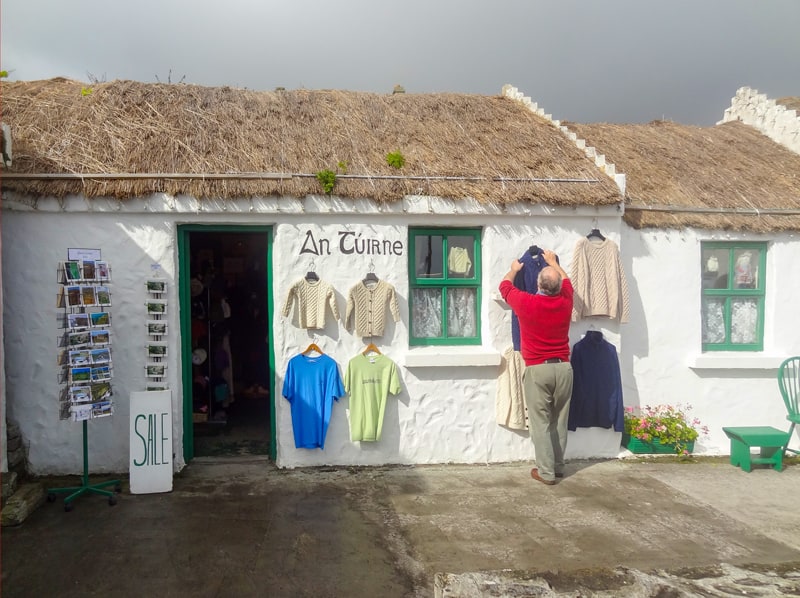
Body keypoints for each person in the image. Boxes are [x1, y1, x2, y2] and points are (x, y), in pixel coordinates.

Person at [499, 249, 574, 485]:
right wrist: (554, 262)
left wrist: (513, 270)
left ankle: (546, 472)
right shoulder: (565, 301)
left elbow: (504, 288)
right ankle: (558, 467)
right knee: (559, 421)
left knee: (540, 423)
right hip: (563, 368)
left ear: (537, 284)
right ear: (558, 287)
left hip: (538, 369)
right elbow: (568, 282)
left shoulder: (526, 302)